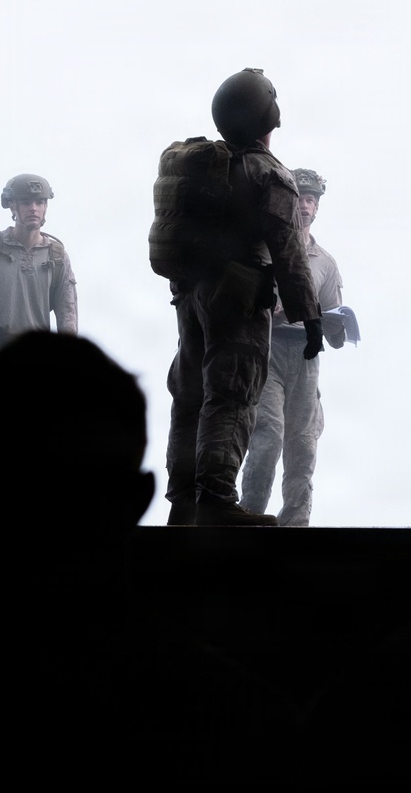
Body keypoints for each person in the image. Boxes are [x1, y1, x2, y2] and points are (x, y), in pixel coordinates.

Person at [157, 68, 323, 526]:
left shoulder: (205, 165)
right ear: (268, 116)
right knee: (231, 396)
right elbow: (288, 253)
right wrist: (309, 317)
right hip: (239, 301)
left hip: (191, 298)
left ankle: (183, 504)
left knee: (190, 395)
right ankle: (216, 502)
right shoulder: (268, 173)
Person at [241, 167, 351, 527]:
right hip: (267, 351)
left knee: (303, 445)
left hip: (306, 358)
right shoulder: (263, 248)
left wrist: (336, 324)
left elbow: (334, 325)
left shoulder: (326, 263)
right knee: (268, 434)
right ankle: (249, 516)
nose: (304, 206)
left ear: (317, 207)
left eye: (311, 200)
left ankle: (295, 525)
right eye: (299, 198)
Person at [0, 173, 77, 347]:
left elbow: (67, 315)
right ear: (13, 207)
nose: (33, 208)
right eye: (26, 202)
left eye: (40, 202)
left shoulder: (57, 256)